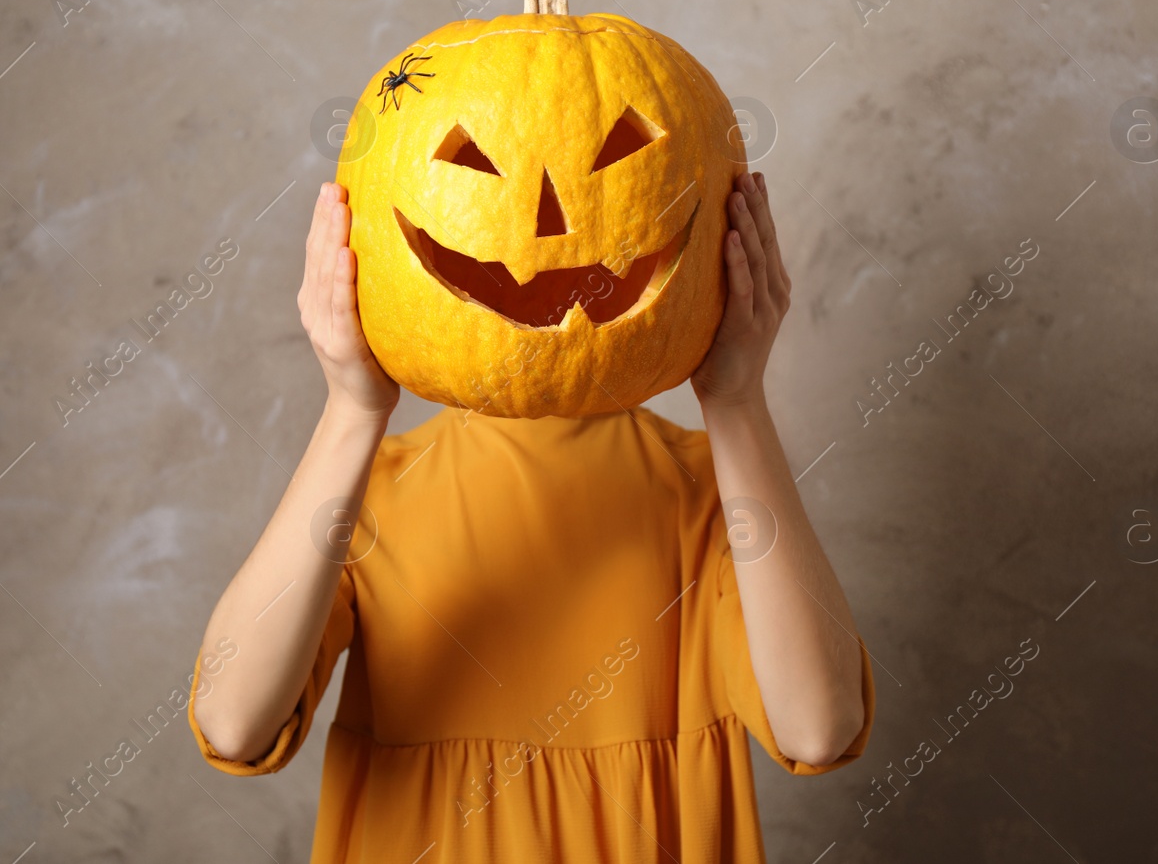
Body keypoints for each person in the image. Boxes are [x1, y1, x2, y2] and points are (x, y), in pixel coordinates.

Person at [187, 169, 875, 862]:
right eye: (477, 168)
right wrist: (352, 408)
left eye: (615, 161)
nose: (550, 220)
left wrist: (737, 401)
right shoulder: (365, 495)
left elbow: (818, 728)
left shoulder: (717, 495)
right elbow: (233, 722)